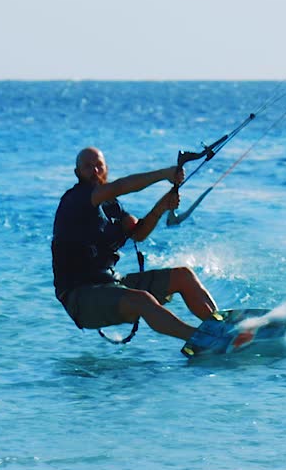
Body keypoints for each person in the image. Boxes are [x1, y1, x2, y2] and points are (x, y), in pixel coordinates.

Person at [52, 146, 219, 342]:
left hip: (111, 283)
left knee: (183, 276)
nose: (95, 171)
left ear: (106, 169)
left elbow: (138, 234)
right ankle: (203, 340)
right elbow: (120, 186)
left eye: (99, 166)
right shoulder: (76, 198)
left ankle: (221, 326)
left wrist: (161, 207)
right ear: (77, 173)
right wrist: (164, 174)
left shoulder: (112, 207)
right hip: (80, 297)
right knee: (142, 300)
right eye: (88, 167)